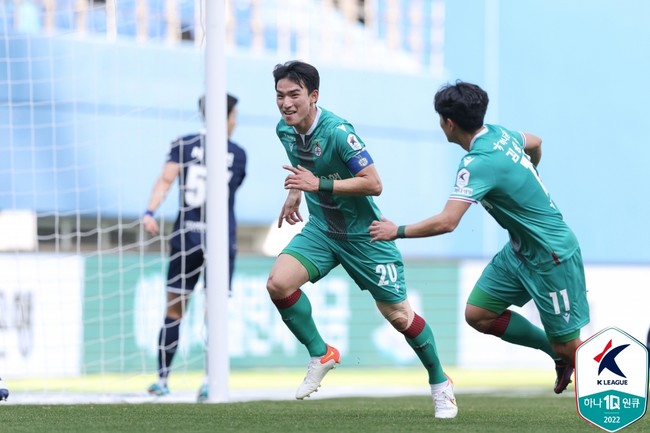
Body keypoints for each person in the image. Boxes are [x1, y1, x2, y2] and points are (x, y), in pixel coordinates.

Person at [369, 80, 590, 394]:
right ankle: (556, 353)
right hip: (520, 250)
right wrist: (529, 171)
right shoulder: (500, 134)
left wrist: (397, 231)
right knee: (479, 314)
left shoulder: (478, 163)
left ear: (449, 123)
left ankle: (618, 389)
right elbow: (536, 142)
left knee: (570, 346)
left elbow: (448, 222)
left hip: (551, 254)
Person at [266, 60, 457, 419]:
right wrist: (295, 193)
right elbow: (303, 166)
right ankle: (321, 352)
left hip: (365, 235)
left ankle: (440, 382)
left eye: (294, 95)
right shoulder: (285, 130)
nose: (286, 104)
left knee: (399, 316)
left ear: (313, 95)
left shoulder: (339, 133)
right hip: (322, 230)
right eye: (280, 96)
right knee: (278, 283)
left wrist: (318, 185)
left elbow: (374, 183)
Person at [143, 93, 247, 402]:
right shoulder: (238, 154)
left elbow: (165, 180)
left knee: (174, 309)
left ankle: (162, 379)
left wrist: (150, 211)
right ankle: (209, 381)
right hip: (220, 240)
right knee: (213, 313)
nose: (235, 121)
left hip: (186, 235)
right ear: (225, 116)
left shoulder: (183, 144)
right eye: (234, 116)